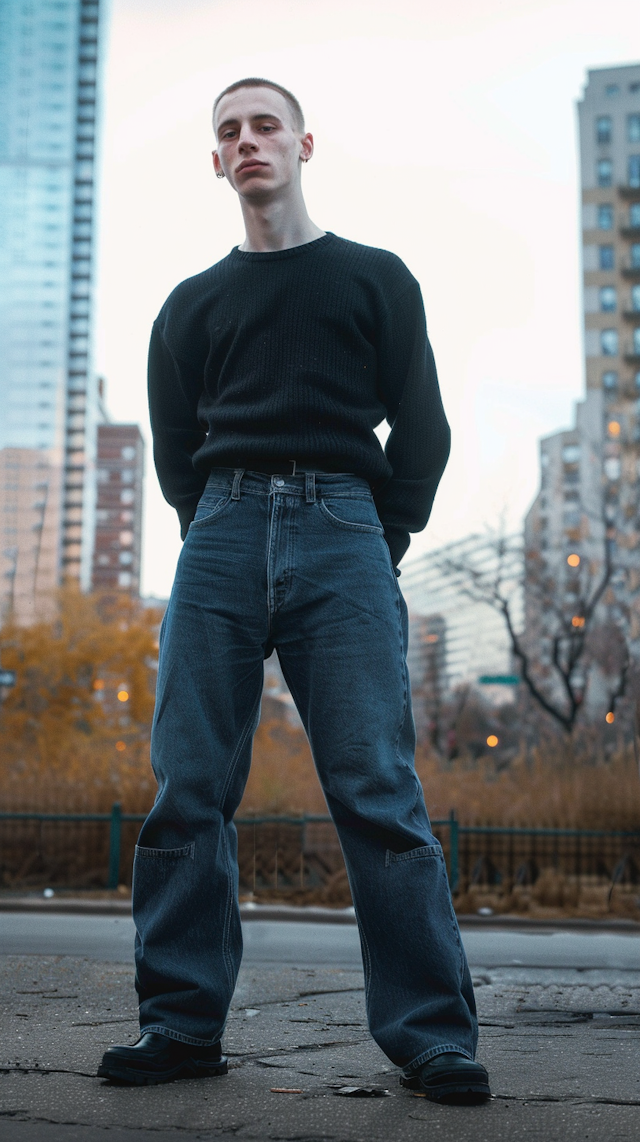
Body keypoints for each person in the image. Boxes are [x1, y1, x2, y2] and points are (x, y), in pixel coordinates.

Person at [97, 77, 490, 1104]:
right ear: (215, 162)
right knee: (188, 786)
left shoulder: (375, 277)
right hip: (221, 534)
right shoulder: (188, 305)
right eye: (228, 131)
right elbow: (176, 450)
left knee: (376, 788)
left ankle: (431, 1034)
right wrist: (220, 525)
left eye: (264, 123)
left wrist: (376, 535)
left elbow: (424, 428)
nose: (247, 140)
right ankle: (180, 1024)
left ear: (304, 143)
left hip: (345, 532)